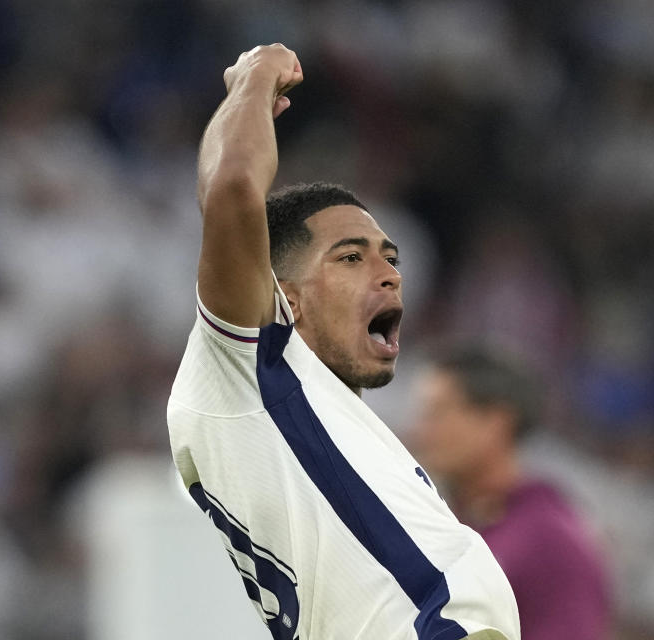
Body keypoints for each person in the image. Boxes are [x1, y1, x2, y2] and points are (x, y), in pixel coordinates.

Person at [166, 44, 520, 640]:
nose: (388, 273)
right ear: (284, 296)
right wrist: (251, 84)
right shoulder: (250, 366)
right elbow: (231, 191)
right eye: (351, 257)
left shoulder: (319, 417)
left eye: (391, 257)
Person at [411, 347, 611, 640]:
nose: (422, 431)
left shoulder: (552, 541)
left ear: (495, 422)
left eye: (438, 413)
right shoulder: (447, 520)